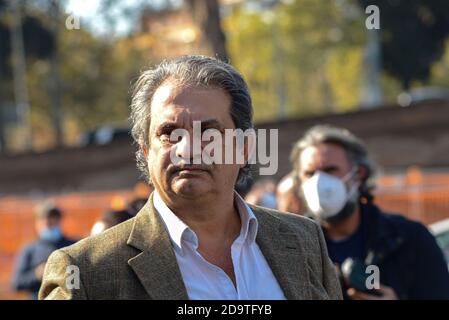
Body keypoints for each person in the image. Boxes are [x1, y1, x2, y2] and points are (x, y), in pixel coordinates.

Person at [39, 55, 342, 300]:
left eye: (208, 132)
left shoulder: (303, 240)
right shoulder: (85, 272)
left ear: (245, 148)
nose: (188, 149)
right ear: (146, 150)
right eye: (169, 134)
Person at [290, 125, 449, 300]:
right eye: (309, 174)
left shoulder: (411, 239)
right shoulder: (290, 247)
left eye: (330, 170)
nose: (319, 183)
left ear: (358, 174)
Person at [11, 202, 75, 299]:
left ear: (59, 220)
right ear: (37, 222)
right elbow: (16, 283)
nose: (48, 222)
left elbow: (79, 278)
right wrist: (37, 274)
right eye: (44, 219)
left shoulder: (72, 245)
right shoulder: (30, 249)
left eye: (52, 218)